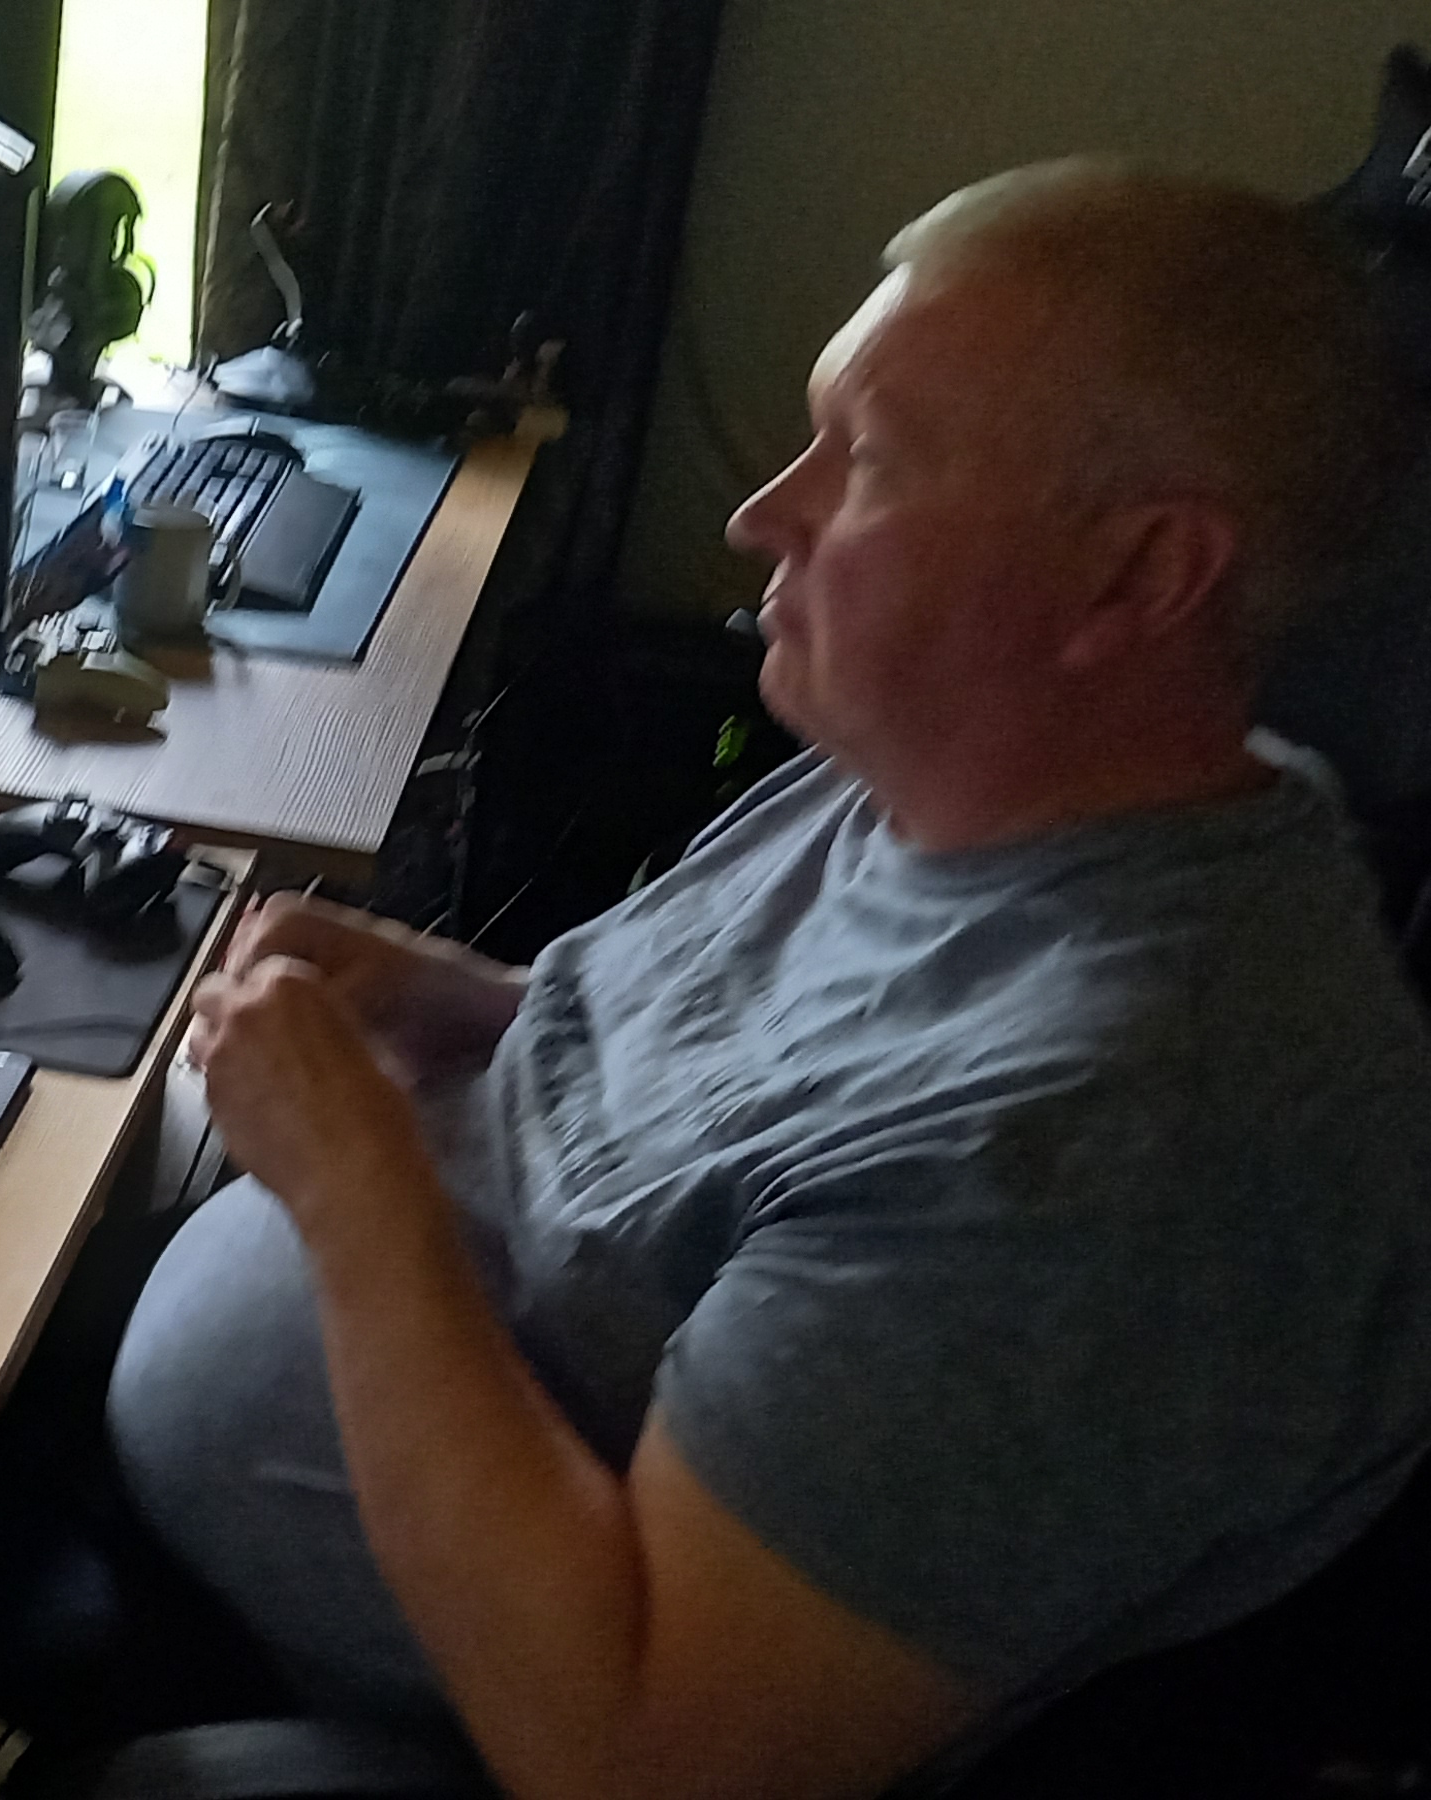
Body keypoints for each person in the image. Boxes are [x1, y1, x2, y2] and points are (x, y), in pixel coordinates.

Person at [103, 161, 1431, 1799]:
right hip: (326, 1328)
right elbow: (787, 1094)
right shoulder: (980, 764)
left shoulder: (1124, 1148)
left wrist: (355, 1187)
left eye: (865, 460)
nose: (759, 516)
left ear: (1139, 579)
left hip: (442, 1698)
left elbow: (639, 1754)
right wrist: (472, 1000)